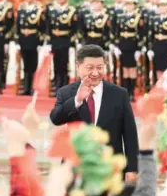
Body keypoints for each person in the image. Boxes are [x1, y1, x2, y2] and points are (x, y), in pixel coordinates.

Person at [49, 44, 139, 181]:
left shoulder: (119, 94)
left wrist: (132, 168)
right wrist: (77, 100)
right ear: (78, 66)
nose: (96, 73)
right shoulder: (67, 93)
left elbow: (130, 135)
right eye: (90, 68)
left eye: (100, 67)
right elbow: (56, 118)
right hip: (76, 168)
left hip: (110, 169)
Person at [16, 0, 46, 95]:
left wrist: (41, 41)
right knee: (25, 64)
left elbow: (43, 26)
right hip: (23, 39)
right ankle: (26, 88)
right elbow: (18, 25)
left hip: (34, 39)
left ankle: (32, 87)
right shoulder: (22, 8)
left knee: (33, 65)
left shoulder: (39, 9)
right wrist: (18, 39)